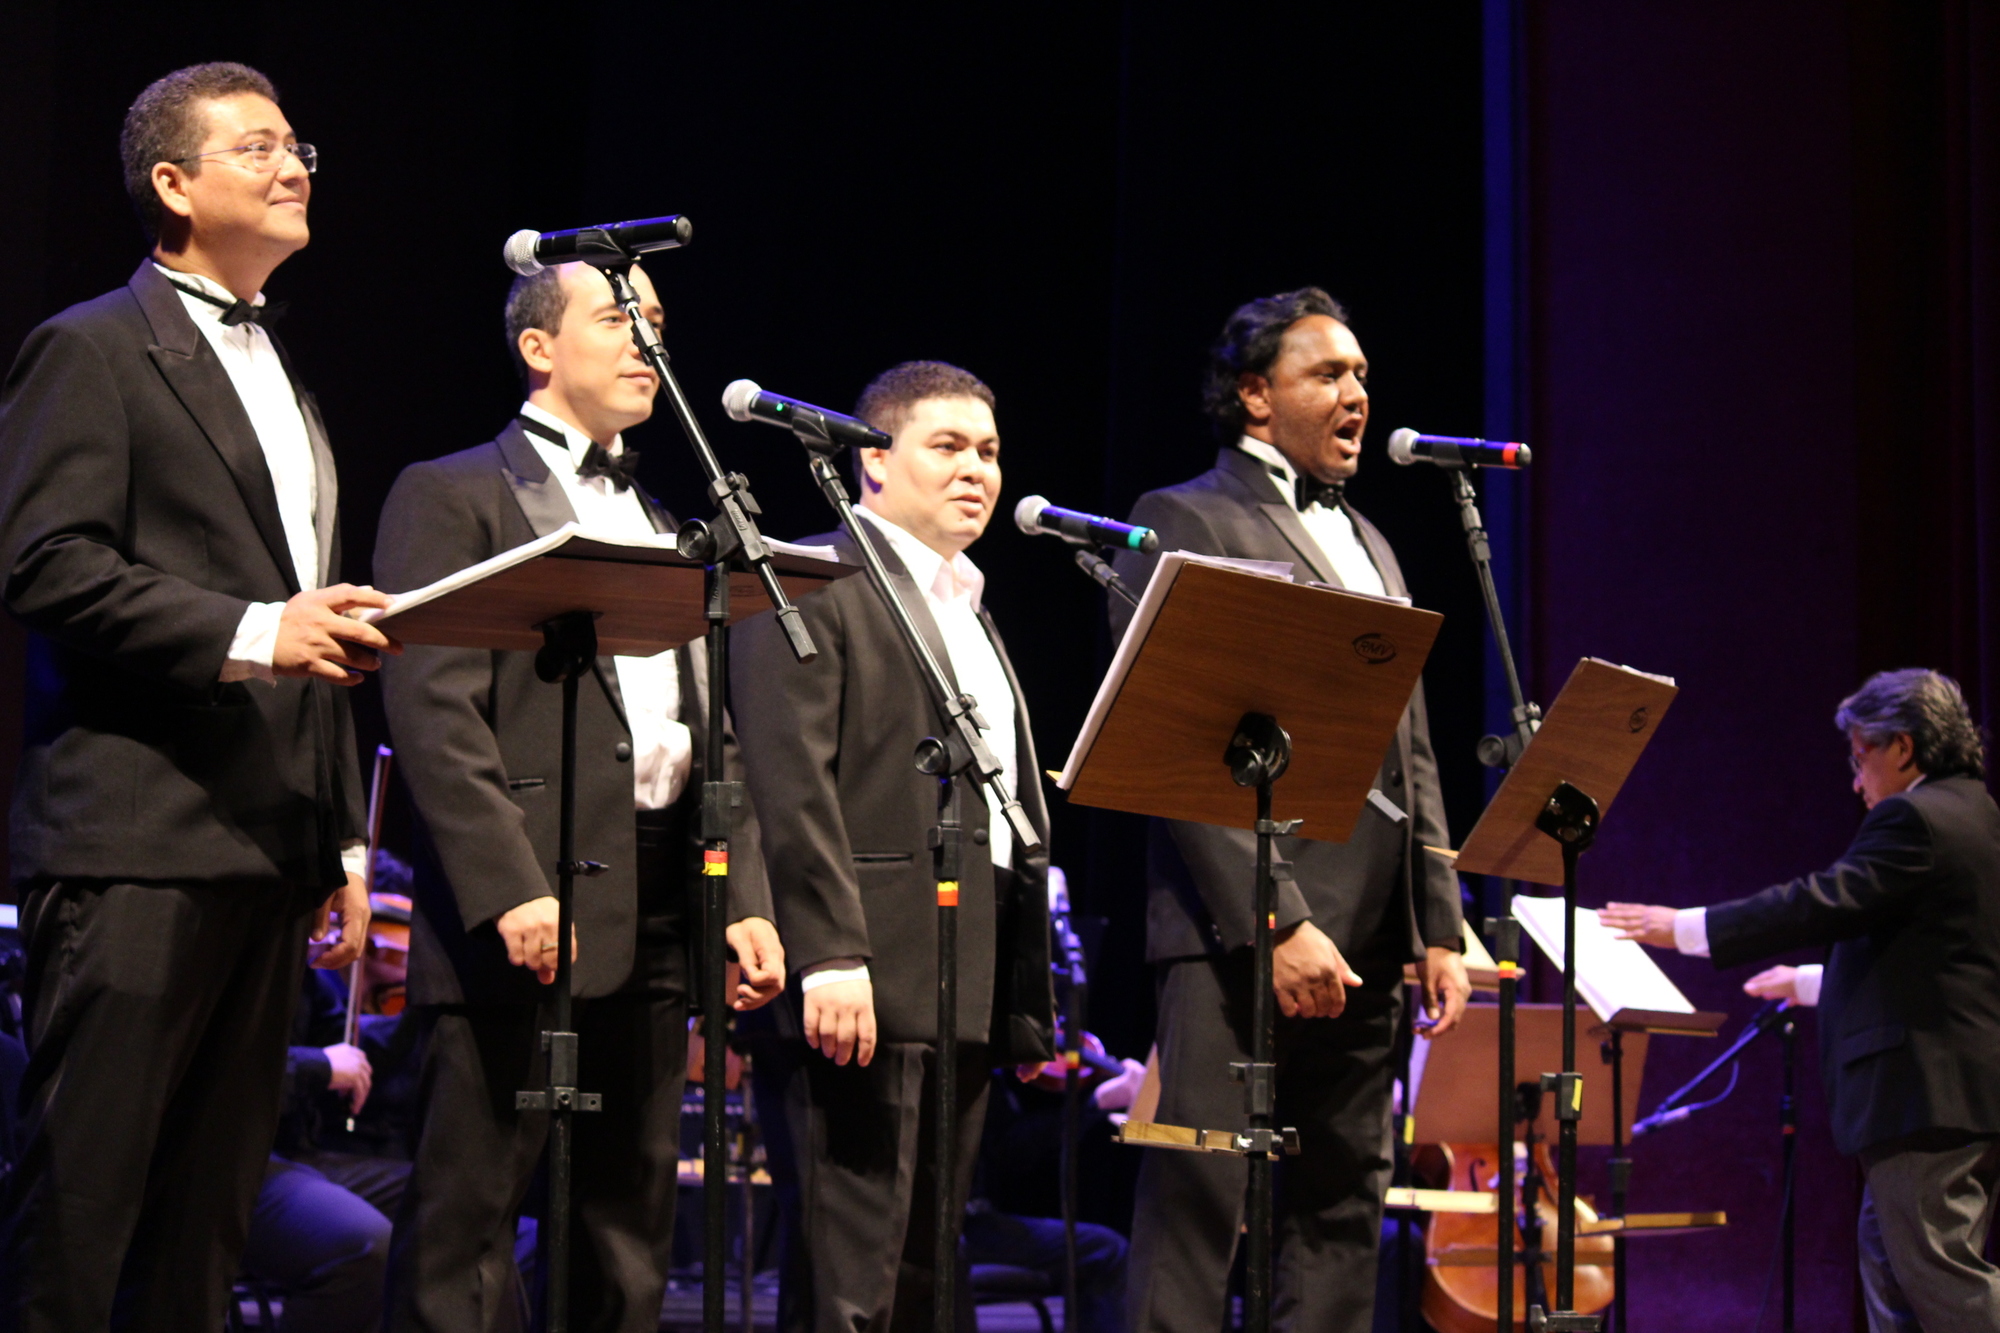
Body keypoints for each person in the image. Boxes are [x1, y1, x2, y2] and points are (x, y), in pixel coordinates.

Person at [0, 62, 392, 1328]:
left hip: (265, 847)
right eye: (259, 147)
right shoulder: (91, 347)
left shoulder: (287, 369)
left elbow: (302, 614)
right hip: (135, 843)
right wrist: (255, 630)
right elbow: (42, 561)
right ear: (173, 184)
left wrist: (337, 831)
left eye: (299, 146)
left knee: (205, 1232)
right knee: (82, 1211)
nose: (294, 167)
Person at [375, 259, 785, 1332]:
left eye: (657, 319)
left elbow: (708, 727)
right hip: (523, 900)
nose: (648, 339)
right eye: (618, 316)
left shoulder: (660, 511)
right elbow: (431, 706)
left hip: (656, 900)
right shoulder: (451, 489)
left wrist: (740, 890)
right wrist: (510, 885)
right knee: (465, 1224)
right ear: (538, 347)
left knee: (625, 1232)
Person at [1108, 288, 1471, 1333]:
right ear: (1254, 396)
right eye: (1328, 374)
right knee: (1197, 1202)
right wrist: (1277, 915)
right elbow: (1181, 745)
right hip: (1240, 933)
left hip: (1368, 937)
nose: (1355, 393)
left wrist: (1434, 922)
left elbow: (1412, 748)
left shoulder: (1373, 540)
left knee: (1340, 1203)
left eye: (1360, 375)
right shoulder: (1182, 515)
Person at [729, 360, 1055, 1332]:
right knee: (848, 1284)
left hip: (959, 980)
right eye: (947, 446)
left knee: (922, 1280)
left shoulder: (971, 609)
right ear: (871, 462)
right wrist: (830, 951)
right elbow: (785, 781)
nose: (976, 471)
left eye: (988, 451)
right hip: (859, 975)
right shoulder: (809, 580)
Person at [1599, 668, 2000, 1333]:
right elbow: (1937, 961)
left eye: (1860, 757)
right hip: (1952, 1095)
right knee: (1895, 1277)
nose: (1855, 780)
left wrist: (1686, 927)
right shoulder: (1976, 813)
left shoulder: (1917, 817)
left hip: (1927, 1100)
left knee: (1942, 1281)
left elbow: (1822, 899)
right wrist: (1811, 982)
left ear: (1901, 747)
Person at [241, 883, 423, 1333]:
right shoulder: (229, 950)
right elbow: (221, 1070)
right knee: (364, 1248)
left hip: (300, 1156)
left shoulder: (308, 968)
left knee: (467, 1205)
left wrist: (428, 999)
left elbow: (352, 1047)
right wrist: (317, 1067)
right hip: (230, 1160)